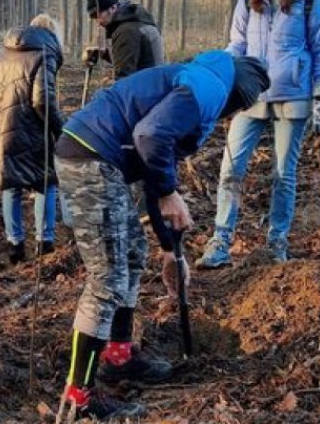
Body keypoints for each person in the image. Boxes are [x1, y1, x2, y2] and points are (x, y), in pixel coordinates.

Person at [54, 51, 270, 419]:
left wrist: (170, 250)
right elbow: (149, 136)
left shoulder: (199, 81)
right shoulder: (208, 87)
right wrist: (170, 193)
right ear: (240, 96)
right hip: (90, 158)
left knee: (133, 252)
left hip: (96, 156)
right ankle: (78, 399)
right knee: (108, 276)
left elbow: (155, 167)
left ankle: (118, 357)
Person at [195, 0, 320, 269]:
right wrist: (217, 75)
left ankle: (277, 243)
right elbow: (237, 44)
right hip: (251, 95)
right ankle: (220, 241)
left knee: (283, 174)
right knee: (230, 169)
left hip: (293, 97)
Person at [0, 14, 64, 265]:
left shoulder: (1, 53)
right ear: (53, 35)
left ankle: (14, 246)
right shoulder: (44, 54)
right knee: (45, 182)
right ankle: (44, 245)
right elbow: (42, 100)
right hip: (32, 132)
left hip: (0, 130)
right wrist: (61, 129)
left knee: (11, 184)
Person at [81, 0, 165, 80]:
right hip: (155, 83)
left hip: (148, 86)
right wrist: (105, 54)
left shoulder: (126, 31)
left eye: (98, 15)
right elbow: (136, 60)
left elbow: (124, 77)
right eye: (94, 18)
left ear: (112, 8)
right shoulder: (136, 22)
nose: (98, 21)